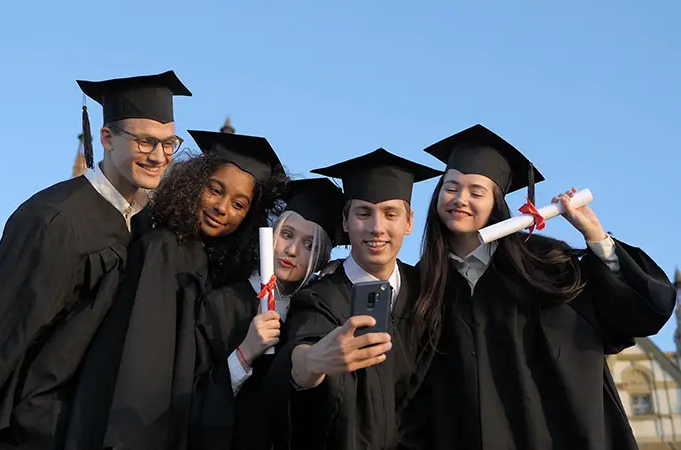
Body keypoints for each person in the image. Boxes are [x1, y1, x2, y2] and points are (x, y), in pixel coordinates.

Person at [0, 70, 191, 450]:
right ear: (106, 138)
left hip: (106, 427)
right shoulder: (54, 218)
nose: (158, 156)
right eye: (145, 142)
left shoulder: (153, 225)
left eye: (169, 144)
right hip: (36, 430)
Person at [400, 124, 677, 450]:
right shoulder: (422, 286)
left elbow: (644, 310)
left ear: (496, 204)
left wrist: (596, 237)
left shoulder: (544, 265)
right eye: (451, 188)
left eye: (476, 192)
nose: (460, 199)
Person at [63, 129, 288, 450]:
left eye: (239, 204)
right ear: (194, 183)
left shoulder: (212, 268)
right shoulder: (163, 250)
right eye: (214, 189)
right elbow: (139, 366)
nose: (222, 207)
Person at [268, 149, 443, 450]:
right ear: (346, 222)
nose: (377, 228)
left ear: (409, 221)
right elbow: (302, 349)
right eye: (364, 213)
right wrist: (313, 361)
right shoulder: (319, 297)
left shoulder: (429, 291)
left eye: (390, 214)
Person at [189, 178, 347, 450]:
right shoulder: (221, 302)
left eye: (310, 245)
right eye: (287, 234)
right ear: (270, 235)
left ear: (322, 258)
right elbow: (192, 396)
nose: (292, 250)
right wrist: (245, 354)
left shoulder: (315, 315)